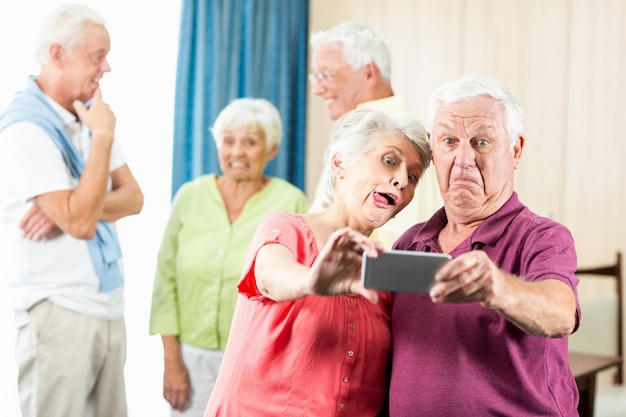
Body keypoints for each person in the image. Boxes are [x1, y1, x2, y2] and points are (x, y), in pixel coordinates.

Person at [203, 107, 432, 417]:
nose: (402, 180)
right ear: (340, 164)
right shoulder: (286, 228)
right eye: (389, 161)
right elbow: (271, 274)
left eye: (413, 176)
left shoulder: (384, 272)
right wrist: (312, 281)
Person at [388, 74, 580, 416]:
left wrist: (496, 289)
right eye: (449, 141)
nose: (463, 159)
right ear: (434, 149)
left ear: (515, 150)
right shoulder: (409, 242)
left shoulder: (542, 237)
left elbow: (560, 314)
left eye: (482, 142)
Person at [0, 4, 144, 417]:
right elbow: (80, 223)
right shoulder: (25, 128)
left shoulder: (87, 115)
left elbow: (134, 198)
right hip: (59, 311)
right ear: (57, 55)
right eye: (98, 55)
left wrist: (77, 202)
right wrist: (101, 139)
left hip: (106, 307)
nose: (108, 67)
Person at [149, 97, 309, 416]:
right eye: (229, 141)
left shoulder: (291, 202)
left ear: (271, 149)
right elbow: (165, 283)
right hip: (190, 358)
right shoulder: (190, 196)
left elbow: (302, 292)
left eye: (250, 142)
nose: (237, 152)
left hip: (259, 358)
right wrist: (171, 361)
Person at [307, 21, 441, 248]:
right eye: (316, 78)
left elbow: (394, 245)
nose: (317, 90)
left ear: (369, 73)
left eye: (326, 76)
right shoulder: (356, 136)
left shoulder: (408, 144)